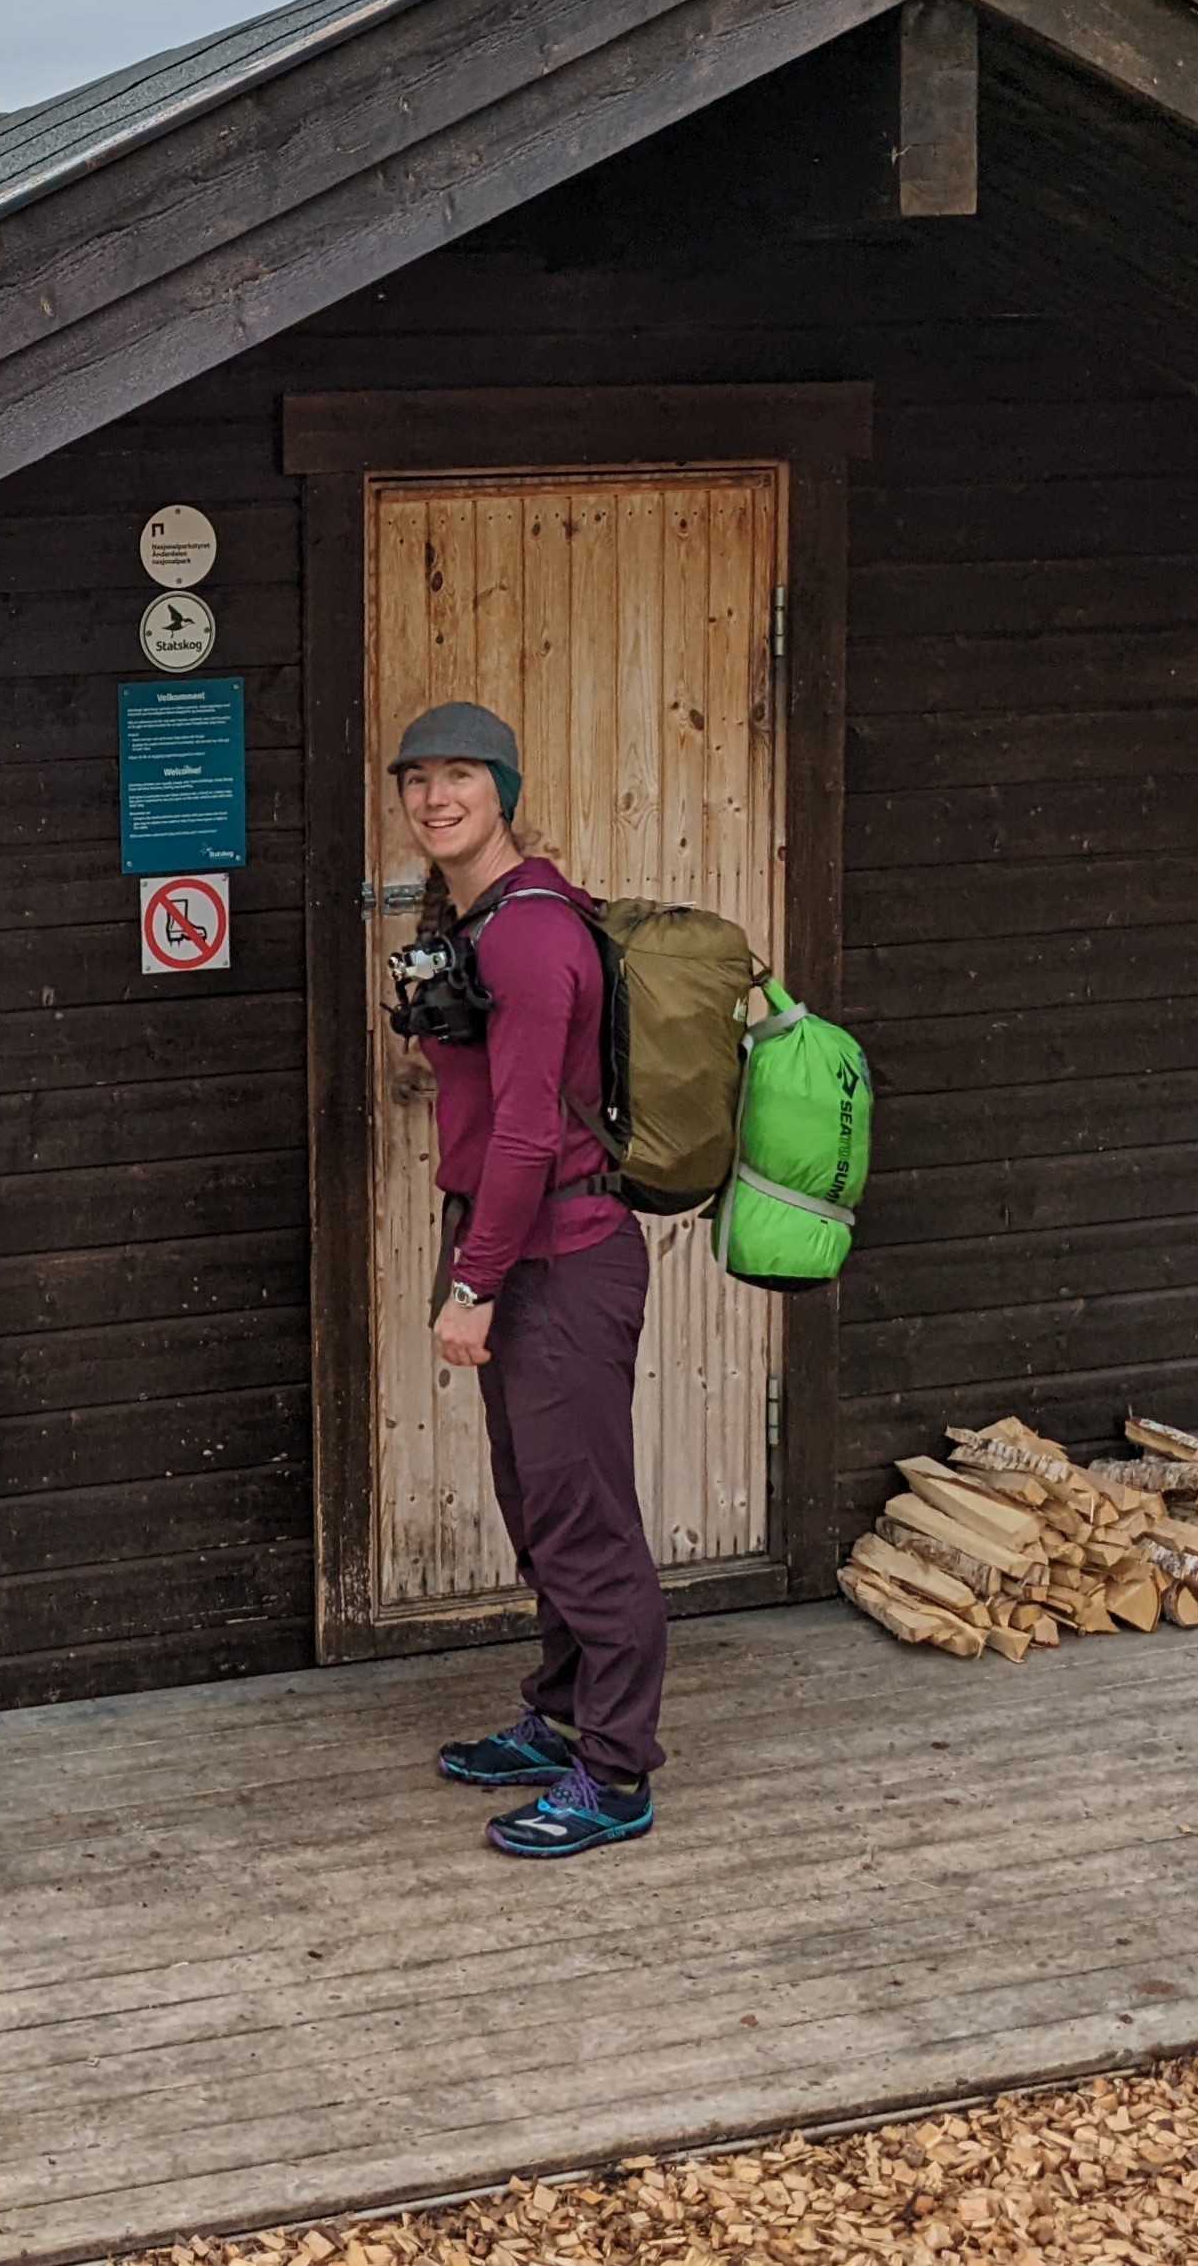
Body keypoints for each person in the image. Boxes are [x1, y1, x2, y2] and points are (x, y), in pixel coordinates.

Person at [388, 700, 667, 1858]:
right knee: (538, 1507)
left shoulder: (530, 935)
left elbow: (522, 1137)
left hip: (559, 1256)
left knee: (585, 1521)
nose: (434, 797)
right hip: (528, 1254)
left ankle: (615, 1773)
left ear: (503, 787)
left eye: (459, 776)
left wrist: (475, 1283)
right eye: (416, 779)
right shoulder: (481, 917)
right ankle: (560, 1719)